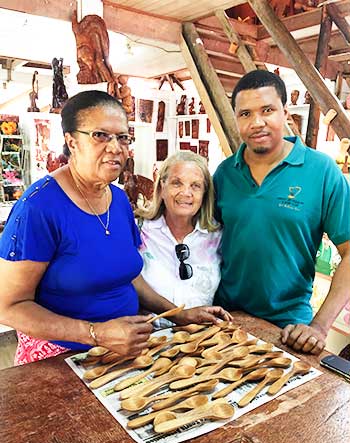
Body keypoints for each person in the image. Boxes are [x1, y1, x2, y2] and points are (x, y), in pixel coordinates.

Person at [0, 91, 209, 365]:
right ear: (71, 141)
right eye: (100, 135)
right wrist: (95, 334)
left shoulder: (119, 199)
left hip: (126, 351)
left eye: (123, 137)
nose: (115, 147)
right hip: (60, 358)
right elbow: (9, 307)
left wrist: (177, 314)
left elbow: (130, 277)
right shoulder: (39, 207)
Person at [213, 69, 350, 355]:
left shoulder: (321, 171)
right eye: (246, 114)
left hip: (289, 330)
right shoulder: (225, 173)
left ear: (285, 113)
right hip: (226, 320)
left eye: (267, 110)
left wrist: (320, 326)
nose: (257, 122)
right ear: (236, 118)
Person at [136, 151, 232, 324]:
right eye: (176, 183)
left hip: (201, 340)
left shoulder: (218, 237)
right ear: (161, 188)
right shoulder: (139, 232)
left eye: (195, 186)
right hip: (149, 339)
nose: (186, 193)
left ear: (204, 194)